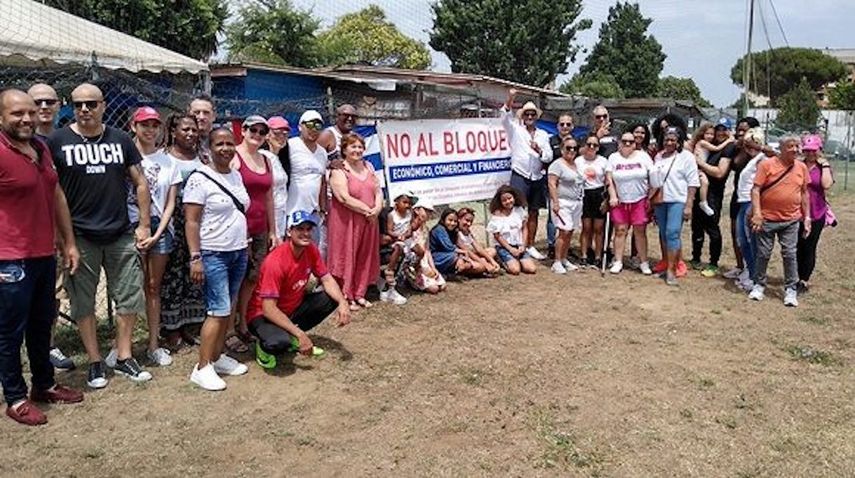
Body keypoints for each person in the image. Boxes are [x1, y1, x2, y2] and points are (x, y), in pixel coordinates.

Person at [47, 83, 153, 387]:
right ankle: (95, 361)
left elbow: (140, 182)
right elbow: (52, 192)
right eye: (79, 104)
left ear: (103, 106)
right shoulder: (57, 141)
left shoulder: (120, 139)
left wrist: (143, 224)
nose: (84, 110)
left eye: (91, 104)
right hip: (79, 237)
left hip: (120, 233)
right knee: (82, 301)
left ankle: (123, 356)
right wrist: (64, 239)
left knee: (130, 296)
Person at [0, 89, 84, 426]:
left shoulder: (40, 148)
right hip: (9, 259)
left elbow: (57, 194)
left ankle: (44, 384)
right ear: (2, 117)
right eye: (16, 113)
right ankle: (16, 397)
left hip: (43, 254)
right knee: (9, 331)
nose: (26, 119)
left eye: (30, 112)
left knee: (40, 324)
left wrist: (69, 242)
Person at [184, 128, 251, 391]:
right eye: (219, 144)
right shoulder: (199, 179)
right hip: (213, 253)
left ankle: (217, 355)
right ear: (209, 148)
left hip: (238, 250)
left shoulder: (235, 175)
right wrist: (195, 257)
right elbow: (191, 221)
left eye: (229, 143)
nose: (225, 148)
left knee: (229, 307)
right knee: (217, 309)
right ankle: (202, 368)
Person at [247, 210, 351, 370]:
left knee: (331, 298)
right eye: (300, 229)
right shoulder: (275, 262)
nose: (305, 233)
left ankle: (291, 334)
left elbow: (326, 278)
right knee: (278, 343)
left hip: (290, 308)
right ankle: (263, 347)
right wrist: (301, 334)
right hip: (262, 315)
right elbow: (268, 309)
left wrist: (343, 302)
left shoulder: (310, 250)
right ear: (289, 231)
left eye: (309, 229)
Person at [128, 106, 180, 366]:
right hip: (130, 226)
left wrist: (158, 232)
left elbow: (170, 202)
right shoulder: (124, 155)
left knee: (152, 286)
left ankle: (153, 344)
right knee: (128, 288)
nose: (150, 130)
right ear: (133, 126)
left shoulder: (168, 161)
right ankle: (122, 344)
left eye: (154, 125)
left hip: (161, 228)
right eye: (144, 124)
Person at [27, 83, 74, 370]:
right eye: (37, 102)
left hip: (57, 232)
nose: (43, 107)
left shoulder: (65, 140)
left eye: (49, 102)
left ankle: (48, 344)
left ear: (58, 106)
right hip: (19, 234)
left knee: (54, 293)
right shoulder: (16, 141)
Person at [159, 113, 207, 350]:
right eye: (185, 129)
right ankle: (171, 328)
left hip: (199, 222)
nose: (190, 134)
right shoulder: (165, 158)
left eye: (194, 130)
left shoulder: (203, 158)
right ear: (174, 131)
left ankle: (192, 324)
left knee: (195, 273)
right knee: (172, 276)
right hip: (173, 223)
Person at [231, 115, 279, 354]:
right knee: (235, 279)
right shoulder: (234, 157)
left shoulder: (266, 160)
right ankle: (229, 330)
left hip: (260, 228)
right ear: (243, 130)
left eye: (262, 131)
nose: (257, 135)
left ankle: (243, 322)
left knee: (252, 277)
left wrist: (273, 230)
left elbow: (269, 197)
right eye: (253, 130)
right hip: (239, 230)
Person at [749, 135, 810, 307]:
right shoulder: (766, 165)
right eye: (791, 146)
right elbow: (756, 190)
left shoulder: (801, 167)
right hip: (767, 218)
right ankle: (759, 284)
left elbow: (805, 193)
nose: (796, 150)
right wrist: (757, 214)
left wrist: (807, 217)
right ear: (782, 148)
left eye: (797, 146)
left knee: (790, 254)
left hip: (791, 219)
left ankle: (791, 289)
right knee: (763, 253)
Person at [327, 133, 382, 310]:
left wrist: (377, 209)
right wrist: (367, 210)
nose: (357, 150)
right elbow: (343, 197)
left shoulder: (369, 166)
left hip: (369, 220)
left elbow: (378, 191)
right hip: (347, 221)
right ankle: (345, 295)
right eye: (353, 146)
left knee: (365, 255)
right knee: (346, 254)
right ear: (344, 149)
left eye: (360, 147)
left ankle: (360, 293)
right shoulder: (339, 170)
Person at [501, 89, 553, 260]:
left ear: (536, 116)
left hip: (537, 176)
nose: (530, 116)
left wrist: (539, 150)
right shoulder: (515, 129)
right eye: (527, 114)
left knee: (534, 212)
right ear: (522, 116)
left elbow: (549, 156)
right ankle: (515, 245)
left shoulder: (543, 135)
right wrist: (511, 98)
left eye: (532, 114)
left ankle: (530, 245)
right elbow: (504, 116)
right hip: (520, 174)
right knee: (516, 211)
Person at [649, 127, 700, 286]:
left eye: (673, 140)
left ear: (678, 142)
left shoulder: (686, 157)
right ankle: (666, 264)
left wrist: (689, 205)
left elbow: (693, 182)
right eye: (666, 140)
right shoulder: (658, 156)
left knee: (672, 233)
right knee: (664, 234)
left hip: (677, 200)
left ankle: (672, 269)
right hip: (660, 201)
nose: (669, 142)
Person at [691, 118, 737, 277]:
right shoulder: (711, 146)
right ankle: (695, 258)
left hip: (714, 193)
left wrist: (699, 163)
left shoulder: (729, 148)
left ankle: (713, 263)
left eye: (724, 129)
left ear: (729, 131)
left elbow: (719, 172)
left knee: (712, 227)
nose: (720, 132)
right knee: (696, 226)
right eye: (719, 129)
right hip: (699, 189)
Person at [605, 133, 654, 275]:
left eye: (630, 142)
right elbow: (609, 178)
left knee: (640, 231)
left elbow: (652, 176)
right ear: (619, 142)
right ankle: (618, 260)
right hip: (620, 200)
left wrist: (650, 197)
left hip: (639, 199)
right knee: (620, 230)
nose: (627, 144)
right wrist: (613, 195)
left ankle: (643, 261)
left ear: (635, 143)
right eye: (624, 141)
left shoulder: (643, 156)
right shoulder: (613, 157)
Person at [723, 117, 763, 282]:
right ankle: (743, 267)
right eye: (738, 129)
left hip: (751, 199)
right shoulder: (740, 149)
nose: (739, 133)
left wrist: (752, 146)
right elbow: (735, 163)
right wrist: (741, 146)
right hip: (739, 197)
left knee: (750, 238)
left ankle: (752, 272)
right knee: (739, 235)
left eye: (744, 130)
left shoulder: (761, 156)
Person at [796, 134, 834, 293]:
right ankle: (797, 277)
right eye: (807, 150)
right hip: (798, 212)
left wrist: (824, 165)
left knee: (810, 246)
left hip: (817, 212)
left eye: (814, 150)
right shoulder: (798, 165)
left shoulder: (823, 167)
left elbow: (826, 185)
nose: (810, 153)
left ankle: (804, 280)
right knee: (798, 246)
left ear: (820, 150)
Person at [733, 128, 768, 292]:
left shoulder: (763, 159)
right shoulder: (750, 159)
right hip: (743, 201)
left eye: (752, 145)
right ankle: (750, 271)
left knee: (751, 240)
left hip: (751, 202)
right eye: (747, 146)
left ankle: (755, 276)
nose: (749, 149)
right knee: (743, 240)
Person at [547, 136, 584, 274]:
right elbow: (552, 183)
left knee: (570, 231)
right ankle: (556, 261)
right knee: (564, 231)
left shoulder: (576, 164)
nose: (572, 150)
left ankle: (564, 258)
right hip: (562, 202)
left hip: (576, 202)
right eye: (568, 148)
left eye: (574, 148)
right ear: (562, 149)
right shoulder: (557, 164)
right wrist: (555, 202)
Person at [487, 185, 537, 275]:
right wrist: (510, 249)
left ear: (514, 197)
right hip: (504, 247)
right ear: (500, 202)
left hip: (519, 245)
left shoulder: (520, 210)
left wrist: (523, 245)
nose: (508, 201)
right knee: (515, 270)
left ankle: (518, 260)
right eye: (504, 200)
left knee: (531, 269)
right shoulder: (497, 215)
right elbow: (497, 236)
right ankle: (500, 259)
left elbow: (524, 228)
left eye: (509, 198)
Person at [687, 122, 733, 216]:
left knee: (703, 183)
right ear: (702, 134)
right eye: (707, 134)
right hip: (697, 168)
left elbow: (720, 173)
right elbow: (716, 148)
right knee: (704, 182)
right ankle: (703, 202)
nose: (710, 136)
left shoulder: (709, 143)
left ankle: (701, 201)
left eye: (712, 134)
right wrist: (729, 140)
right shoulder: (703, 142)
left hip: (701, 168)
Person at [576, 134, 608, 268]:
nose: (591, 147)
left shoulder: (603, 161)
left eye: (595, 145)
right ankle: (584, 255)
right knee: (586, 227)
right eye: (589, 144)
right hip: (584, 194)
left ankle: (598, 256)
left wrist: (606, 199)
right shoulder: (578, 161)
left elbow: (607, 180)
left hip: (599, 193)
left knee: (598, 228)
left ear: (598, 147)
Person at [547, 113, 575, 258]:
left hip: (571, 189)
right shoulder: (550, 141)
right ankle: (552, 246)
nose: (565, 127)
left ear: (572, 126)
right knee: (554, 219)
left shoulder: (576, 142)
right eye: (562, 124)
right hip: (555, 186)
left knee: (568, 225)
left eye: (568, 124)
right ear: (557, 126)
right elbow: (546, 159)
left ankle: (565, 250)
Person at [430, 209, 488, 278]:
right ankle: (454, 272)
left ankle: (457, 271)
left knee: (483, 261)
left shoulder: (455, 231)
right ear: (443, 219)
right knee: (480, 266)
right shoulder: (439, 229)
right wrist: (463, 254)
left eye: (455, 221)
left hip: (452, 256)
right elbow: (449, 247)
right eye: (450, 220)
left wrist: (462, 255)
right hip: (437, 257)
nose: (452, 223)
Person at [405, 199, 447, 293]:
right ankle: (410, 280)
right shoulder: (409, 228)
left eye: (430, 212)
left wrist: (433, 267)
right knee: (434, 288)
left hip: (424, 262)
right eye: (426, 210)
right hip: (413, 263)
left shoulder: (425, 229)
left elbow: (427, 250)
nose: (428, 214)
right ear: (417, 210)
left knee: (442, 286)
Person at [381, 192, 414, 305]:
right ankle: (390, 272)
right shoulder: (391, 215)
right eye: (404, 202)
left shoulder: (409, 214)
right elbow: (390, 230)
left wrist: (407, 234)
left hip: (407, 240)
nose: (407, 205)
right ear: (396, 202)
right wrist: (398, 236)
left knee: (419, 250)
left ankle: (409, 275)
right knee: (399, 248)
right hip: (396, 240)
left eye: (409, 203)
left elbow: (409, 228)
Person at [456, 207, 501, 275]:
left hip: (471, 256)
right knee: (481, 267)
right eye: (467, 220)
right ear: (459, 219)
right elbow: (467, 251)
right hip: (462, 258)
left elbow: (478, 248)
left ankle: (486, 266)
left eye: (471, 221)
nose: (469, 224)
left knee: (492, 251)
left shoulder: (467, 231)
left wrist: (492, 261)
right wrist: (486, 264)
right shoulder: (456, 233)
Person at [266, 116, 290, 237]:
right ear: (267, 135)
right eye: (277, 133)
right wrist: (272, 230)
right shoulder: (263, 157)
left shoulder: (278, 159)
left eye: (285, 134)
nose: (281, 137)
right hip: (269, 219)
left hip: (281, 215)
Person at [189, 94, 216, 162]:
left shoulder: (221, 143)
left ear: (214, 116)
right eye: (197, 112)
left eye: (206, 113)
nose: (201, 117)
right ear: (188, 114)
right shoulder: (178, 143)